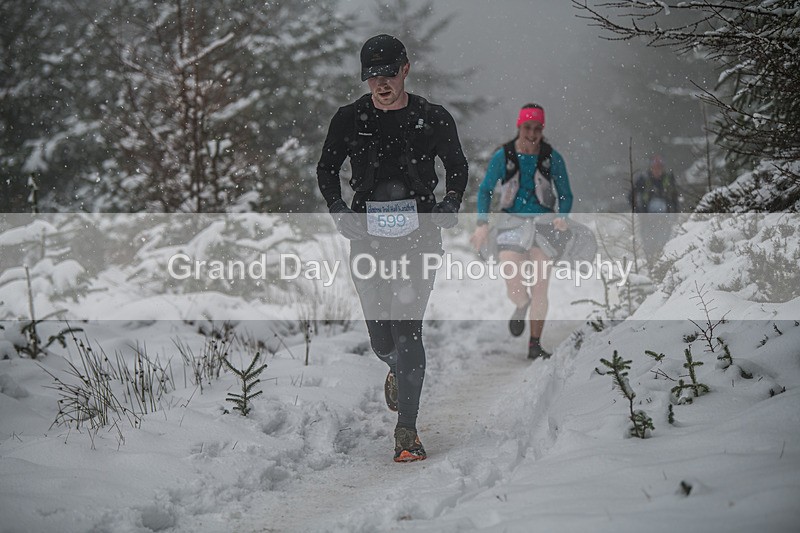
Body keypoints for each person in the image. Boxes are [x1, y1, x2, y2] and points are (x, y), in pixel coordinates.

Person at [316, 34, 469, 462]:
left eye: (388, 73)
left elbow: (456, 165)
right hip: (366, 237)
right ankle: (392, 367)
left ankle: (408, 430)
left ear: (405, 69)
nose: (381, 82)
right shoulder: (349, 119)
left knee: (408, 329)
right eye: (372, 75)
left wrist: (450, 204)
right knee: (381, 336)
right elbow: (327, 167)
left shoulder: (432, 117)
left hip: (420, 235)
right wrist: (337, 209)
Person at [470, 103, 573, 360]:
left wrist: (562, 217)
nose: (532, 133)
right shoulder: (504, 156)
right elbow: (485, 190)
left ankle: (534, 343)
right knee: (511, 275)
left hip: (544, 223)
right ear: (519, 127)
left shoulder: (551, 157)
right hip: (511, 222)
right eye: (527, 127)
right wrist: (482, 223)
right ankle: (521, 303)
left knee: (541, 283)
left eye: (537, 128)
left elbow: (566, 194)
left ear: (542, 130)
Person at [631, 155, 679, 262]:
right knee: (649, 245)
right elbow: (632, 196)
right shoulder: (643, 180)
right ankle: (651, 262)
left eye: (659, 168)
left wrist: (675, 213)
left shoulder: (668, 179)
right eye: (655, 168)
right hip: (647, 219)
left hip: (664, 218)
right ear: (651, 168)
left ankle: (662, 262)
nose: (657, 171)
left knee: (664, 243)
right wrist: (639, 212)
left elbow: (674, 198)